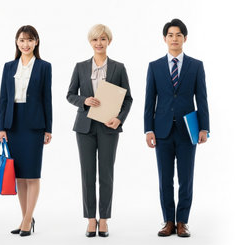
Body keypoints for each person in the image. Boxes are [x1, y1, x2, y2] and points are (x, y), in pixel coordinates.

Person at [144, 18, 210, 237]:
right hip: (161, 131)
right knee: (164, 179)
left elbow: (202, 99)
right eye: (170, 35)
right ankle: (168, 221)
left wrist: (204, 128)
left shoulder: (196, 65)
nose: (174, 39)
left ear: (185, 38)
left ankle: (183, 222)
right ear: (165, 38)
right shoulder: (154, 67)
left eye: (178, 35)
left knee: (186, 179)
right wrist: (148, 129)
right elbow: (149, 101)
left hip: (187, 132)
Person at [67, 24, 132, 238]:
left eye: (103, 39)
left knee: (106, 174)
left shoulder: (118, 68)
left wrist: (119, 119)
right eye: (95, 39)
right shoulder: (80, 67)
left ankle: (104, 219)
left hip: (108, 127)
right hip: (85, 128)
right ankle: (90, 220)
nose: (99, 43)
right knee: (87, 174)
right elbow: (70, 94)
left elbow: (127, 99)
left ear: (109, 42)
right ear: (90, 42)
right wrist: (84, 100)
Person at [0, 25, 52, 237]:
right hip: (13, 124)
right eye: (22, 40)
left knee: (32, 175)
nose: (25, 44)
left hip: (34, 125)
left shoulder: (44, 67)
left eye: (30, 40)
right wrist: (1, 127)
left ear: (36, 42)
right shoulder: (8, 66)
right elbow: (3, 98)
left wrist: (49, 128)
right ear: (16, 42)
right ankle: (25, 218)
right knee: (19, 176)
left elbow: (47, 98)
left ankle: (28, 219)